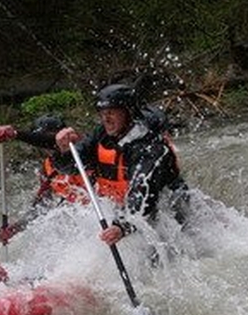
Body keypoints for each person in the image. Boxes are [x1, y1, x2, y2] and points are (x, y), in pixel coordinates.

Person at [54, 83, 190, 246]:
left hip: (169, 212)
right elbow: (70, 168)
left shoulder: (149, 147)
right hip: (128, 210)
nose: (106, 119)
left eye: (111, 113)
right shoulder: (102, 135)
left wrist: (122, 226)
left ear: (128, 112)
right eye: (103, 113)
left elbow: (143, 193)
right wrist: (63, 150)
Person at [0, 114, 89, 243]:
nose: (46, 146)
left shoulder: (85, 152)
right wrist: (16, 228)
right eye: (41, 141)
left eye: (50, 138)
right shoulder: (47, 168)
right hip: (80, 216)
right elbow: (41, 207)